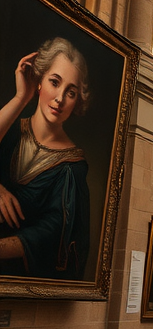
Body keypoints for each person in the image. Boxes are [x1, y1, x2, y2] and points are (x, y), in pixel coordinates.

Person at [0, 39, 91, 280]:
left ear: (77, 101)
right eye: (54, 82)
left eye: (70, 92)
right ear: (39, 81)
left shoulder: (72, 167)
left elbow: (53, 233)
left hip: (14, 275)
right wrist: (21, 97)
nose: (60, 98)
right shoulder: (10, 129)